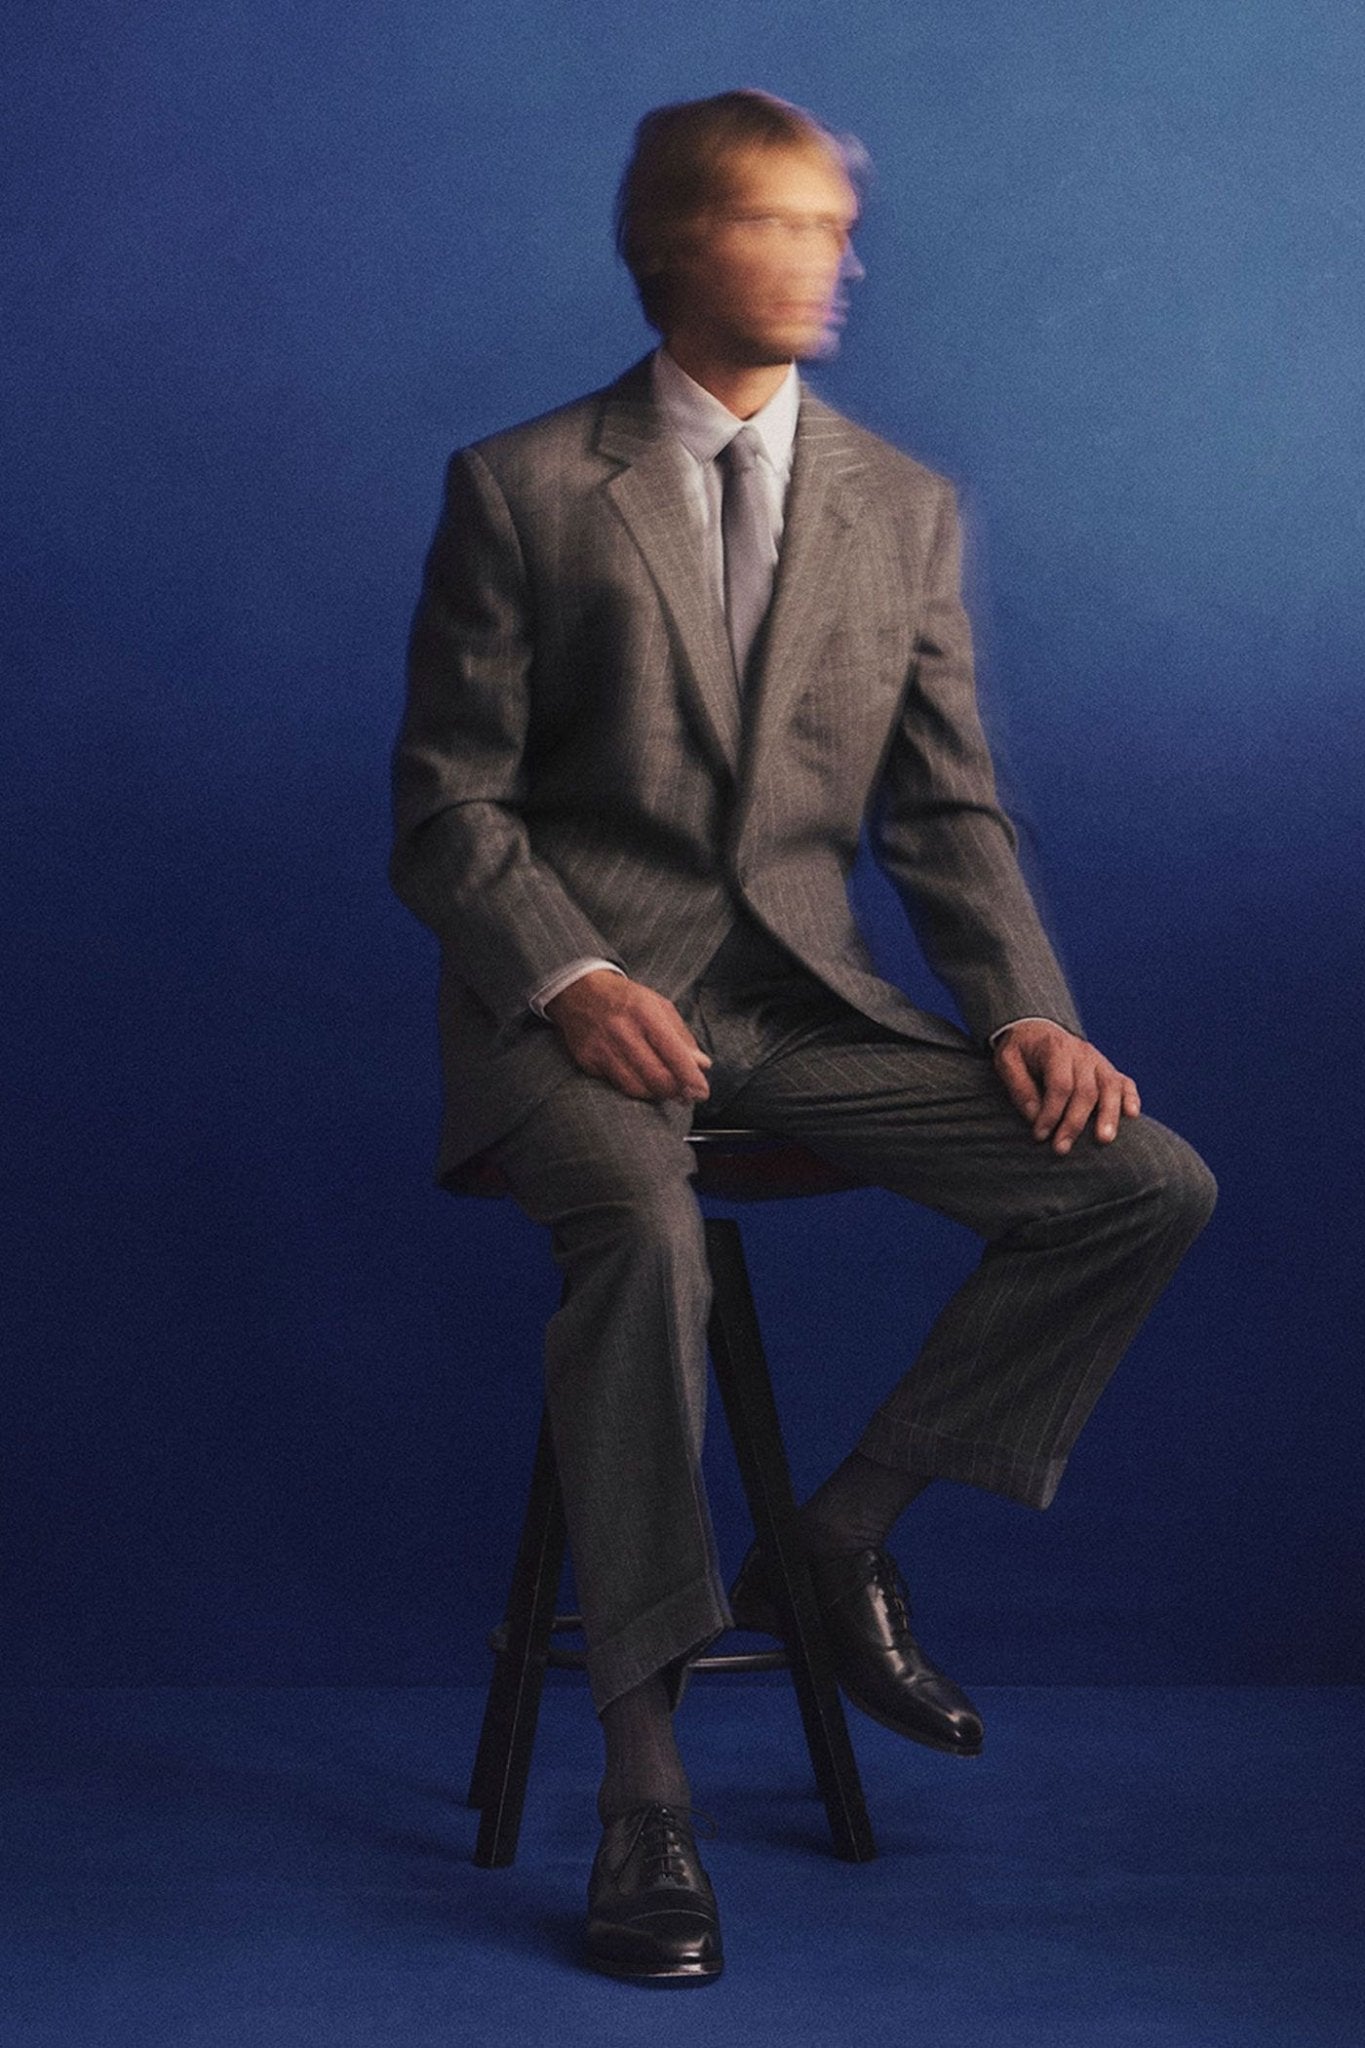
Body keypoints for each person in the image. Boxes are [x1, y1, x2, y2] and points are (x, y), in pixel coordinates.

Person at [390, 89, 1216, 1984]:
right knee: (649, 1242)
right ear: (678, 242)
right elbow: (448, 811)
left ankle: (835, 1535)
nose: (834, 257)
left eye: (840, 226)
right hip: (569, 1015)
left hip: (788, 1011)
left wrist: (1023, 1009)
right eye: (786, 221)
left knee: (1141, 1186)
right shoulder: (520, 487)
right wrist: (569, 979)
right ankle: (645, 1790)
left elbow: (943, 815)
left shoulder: (901, 507)